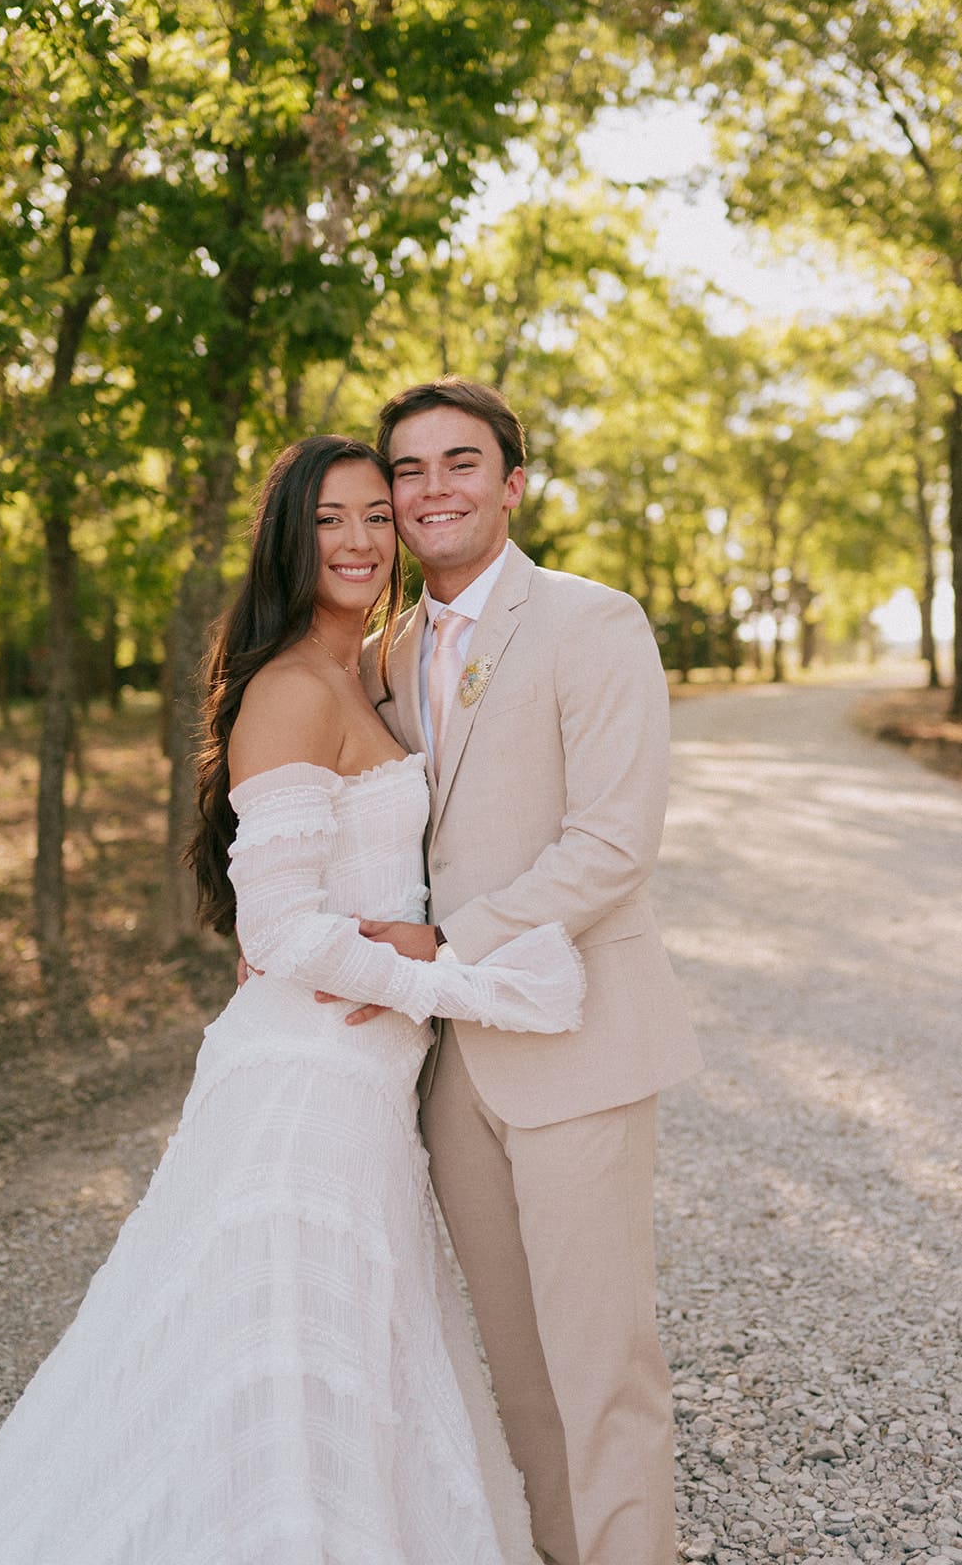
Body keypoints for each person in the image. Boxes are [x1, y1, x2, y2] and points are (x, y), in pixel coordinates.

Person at [0, 435, 585, 1565]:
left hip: (367, 1078)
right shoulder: (287, 686)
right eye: (331, 521)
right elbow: (277, 930)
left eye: (377, 515)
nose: (361, 541)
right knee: (273, 1353)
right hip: (304, 1078)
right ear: (288, 537)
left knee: (358, 1351)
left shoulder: (371, 667)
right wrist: (446, 981)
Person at [352, 379, 704, 1565]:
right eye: (409, 469)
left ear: (511, 483)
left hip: (578, 1040)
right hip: (454, 1070)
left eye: (461, 463)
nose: (431, 488)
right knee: (517, 1368)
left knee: (603, 1365)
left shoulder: (593, 622)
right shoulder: (388, 651)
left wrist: (450, 947)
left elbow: (612, 842)